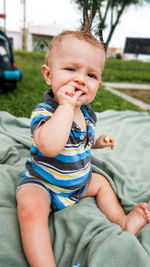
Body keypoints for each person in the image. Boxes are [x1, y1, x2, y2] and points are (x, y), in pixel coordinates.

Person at [16, 30, 150, 267]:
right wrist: (65, 107)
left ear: (98, 84)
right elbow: (50, 146)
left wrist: (97, 142)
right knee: (30, 208)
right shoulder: (45, 111)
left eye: (90, 74)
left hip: (78, 185)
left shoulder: (88, 116)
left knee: (101, 184)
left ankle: (123, 221)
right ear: (48, 75)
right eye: (70, 69)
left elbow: (81, 143)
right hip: (45, 184)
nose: (80, 79)